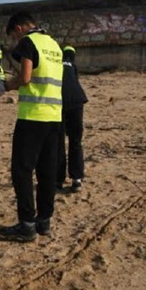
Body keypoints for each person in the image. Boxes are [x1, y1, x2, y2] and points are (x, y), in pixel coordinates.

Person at [0, 12, 63, 243]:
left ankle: (27, 224)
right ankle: (44, 221)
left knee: (22, 171)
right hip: (55, 117)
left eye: (14, 35)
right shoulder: (54, 45)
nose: (15, 40)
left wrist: (6, 85)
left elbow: (25, 77)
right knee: (47, 171)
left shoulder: (28, 42)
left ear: (18, 28)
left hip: (32, 117)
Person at [57, 45, 88, 193]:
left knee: (58, 142)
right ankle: (77, 179)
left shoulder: (55, 64)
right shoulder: (73, 66)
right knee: (75, 141)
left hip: (59, 102)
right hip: (77, 101)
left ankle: (58, 180)